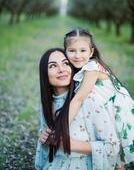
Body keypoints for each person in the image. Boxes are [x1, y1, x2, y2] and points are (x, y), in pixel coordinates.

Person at [35, 48, 119, 170]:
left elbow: (113, 146)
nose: (61, 70)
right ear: (44, 73)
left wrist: (73, 145)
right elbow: (47, 145)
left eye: (66, 63)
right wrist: (44, 139)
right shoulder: (47, 104)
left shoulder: (88, 100)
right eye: (53, 66)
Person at [63, 28, 134, 169]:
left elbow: (79, 99)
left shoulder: (92, 67)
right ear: (65, 51)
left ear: (91, 51)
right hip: (104, 112)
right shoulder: (79, 69)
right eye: (72, 51)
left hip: (116, 113)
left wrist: (61, 127)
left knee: (114, 156)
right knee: (113, 158)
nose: (77, 55)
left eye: (83, 51)